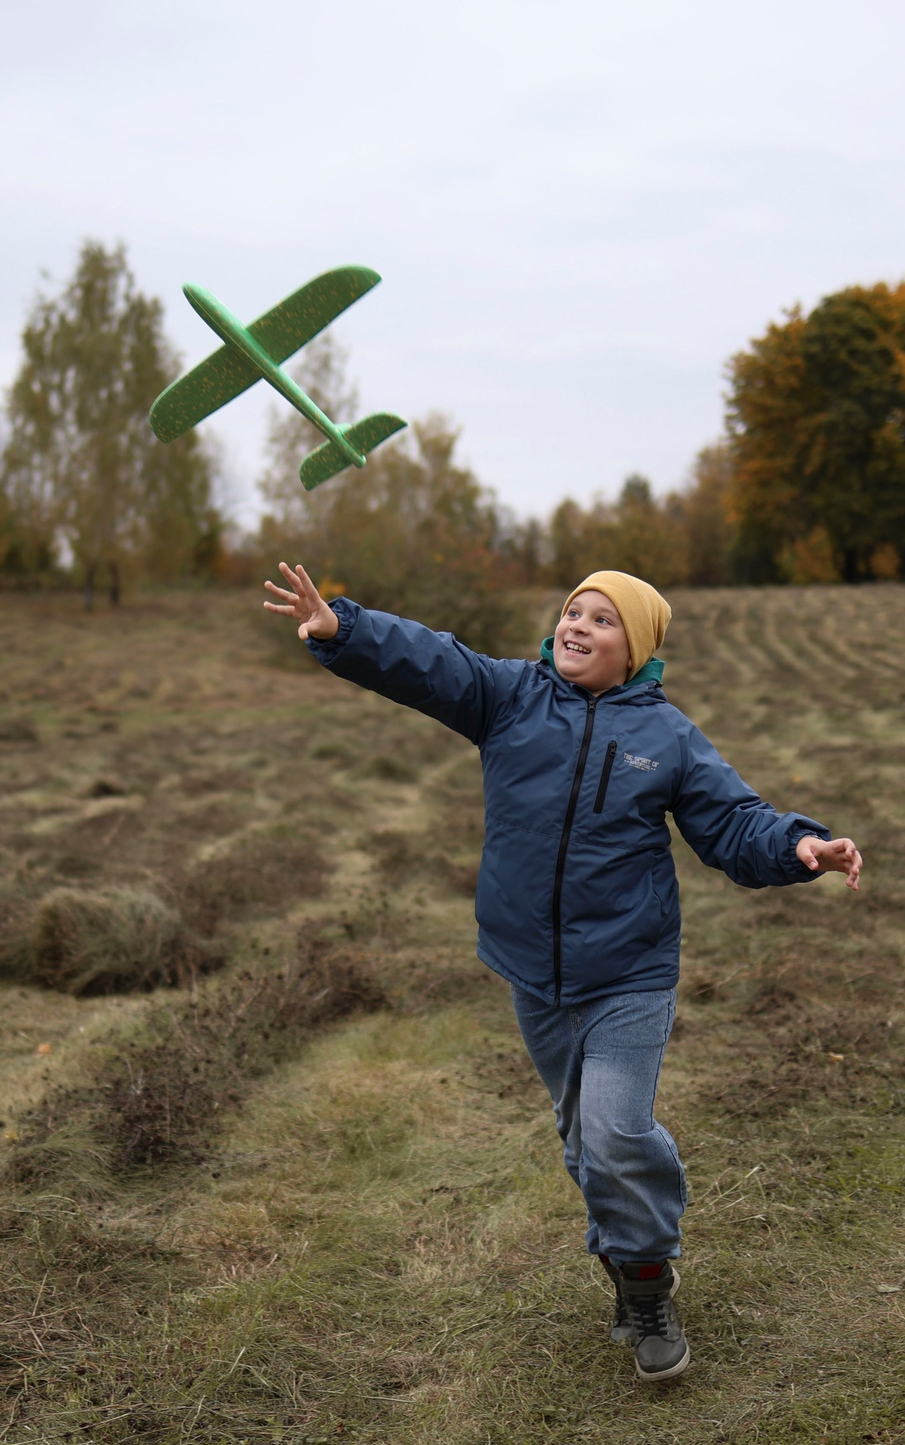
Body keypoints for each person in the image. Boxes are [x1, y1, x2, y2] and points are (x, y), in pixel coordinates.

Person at [263, 563, 862, 1383]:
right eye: (573, 611)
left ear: (637, 649)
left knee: (615, 1131)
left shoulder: (668, 737)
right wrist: (347, 630)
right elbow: (435, 662)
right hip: (532, 974)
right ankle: (630, 1257)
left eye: (603, 620)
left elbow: (733, 822)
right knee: (586, 1140)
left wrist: (799, 845)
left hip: (628, 973)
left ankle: (647, 1283)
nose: (579, 626)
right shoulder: (510, 697)